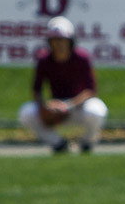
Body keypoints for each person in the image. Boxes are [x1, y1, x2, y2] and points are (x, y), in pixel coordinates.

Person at [18, 16, 108, 154]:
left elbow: (90, 90)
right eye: (54, 40)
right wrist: (46, 105)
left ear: (70, 40)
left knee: (97, 110)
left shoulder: (82, 58)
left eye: (61, 39)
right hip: (55, 107)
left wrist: (68, 105)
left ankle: (87, 142)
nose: (58, 43)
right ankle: (58, 143)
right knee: (26, 112)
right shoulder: (44, 60)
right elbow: (36, 90)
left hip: (77, 107)